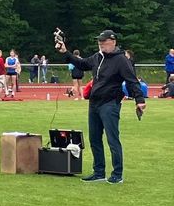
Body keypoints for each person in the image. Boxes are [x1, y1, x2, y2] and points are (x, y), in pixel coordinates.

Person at [58, 30, 146, 184]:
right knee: (94, 139)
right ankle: (99, 172)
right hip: (94, 103)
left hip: (110, 103)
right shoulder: (97, 57)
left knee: (112, 139)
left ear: (113, 42)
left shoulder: (121, 60)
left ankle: (117, 174)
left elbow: (132, 80)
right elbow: (82, 64)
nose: (101, 44)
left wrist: (139, 99)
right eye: (99, 41)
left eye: (104, 41)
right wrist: (66, 52)